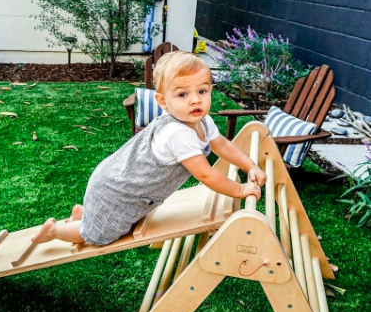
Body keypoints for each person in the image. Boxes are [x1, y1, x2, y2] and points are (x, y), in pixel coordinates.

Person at [32, 51, 266, 247]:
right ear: (163, 101)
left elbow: (222, 145)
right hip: (118, 190)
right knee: (98, 237)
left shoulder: (202, 121)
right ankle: (55, 231)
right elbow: (205, 174)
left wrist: (250, 165)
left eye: (202, 91)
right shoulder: (178, 134)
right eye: (183, 94)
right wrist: (240, 190)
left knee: (112, 223)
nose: (195, 100)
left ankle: (83, 216)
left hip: (122, 183)